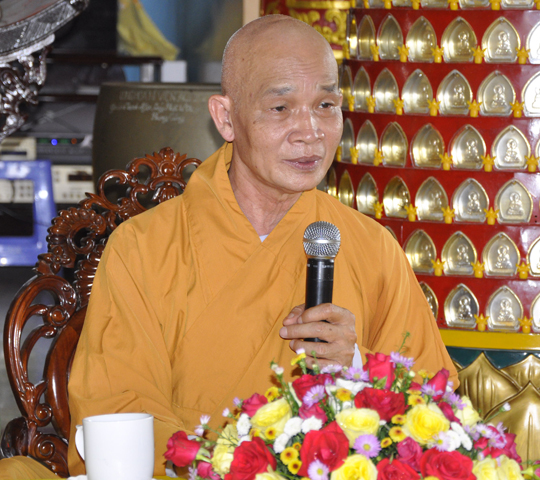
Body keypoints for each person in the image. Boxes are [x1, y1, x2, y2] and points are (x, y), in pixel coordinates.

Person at [0, 15, 456, 479]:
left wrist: (356, 368)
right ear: (225, 118)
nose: (310, 131)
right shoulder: (143, 248)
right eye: (280, 108)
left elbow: (435, 413)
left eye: (325, 104)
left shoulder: (371, 247)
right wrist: (232, 467)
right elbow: (118, 408)